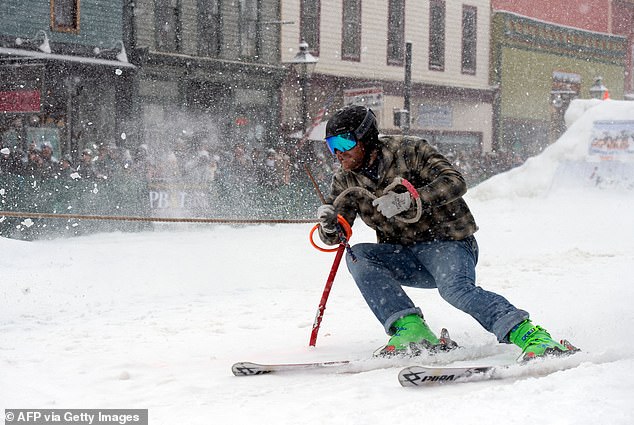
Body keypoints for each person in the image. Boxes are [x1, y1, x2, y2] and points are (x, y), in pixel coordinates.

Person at [316, 105, 577, 361]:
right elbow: (337, 234)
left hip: (447, 243)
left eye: (344, 143)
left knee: (456, 291)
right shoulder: (345, 180)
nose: (338, 153)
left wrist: (409, 199)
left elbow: (455, 181)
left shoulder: (409, 150)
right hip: (404, 254)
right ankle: (412, 330)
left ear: (366, 137)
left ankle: (531, 335)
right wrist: (328, 225)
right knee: (358, 256)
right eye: (331, 145)